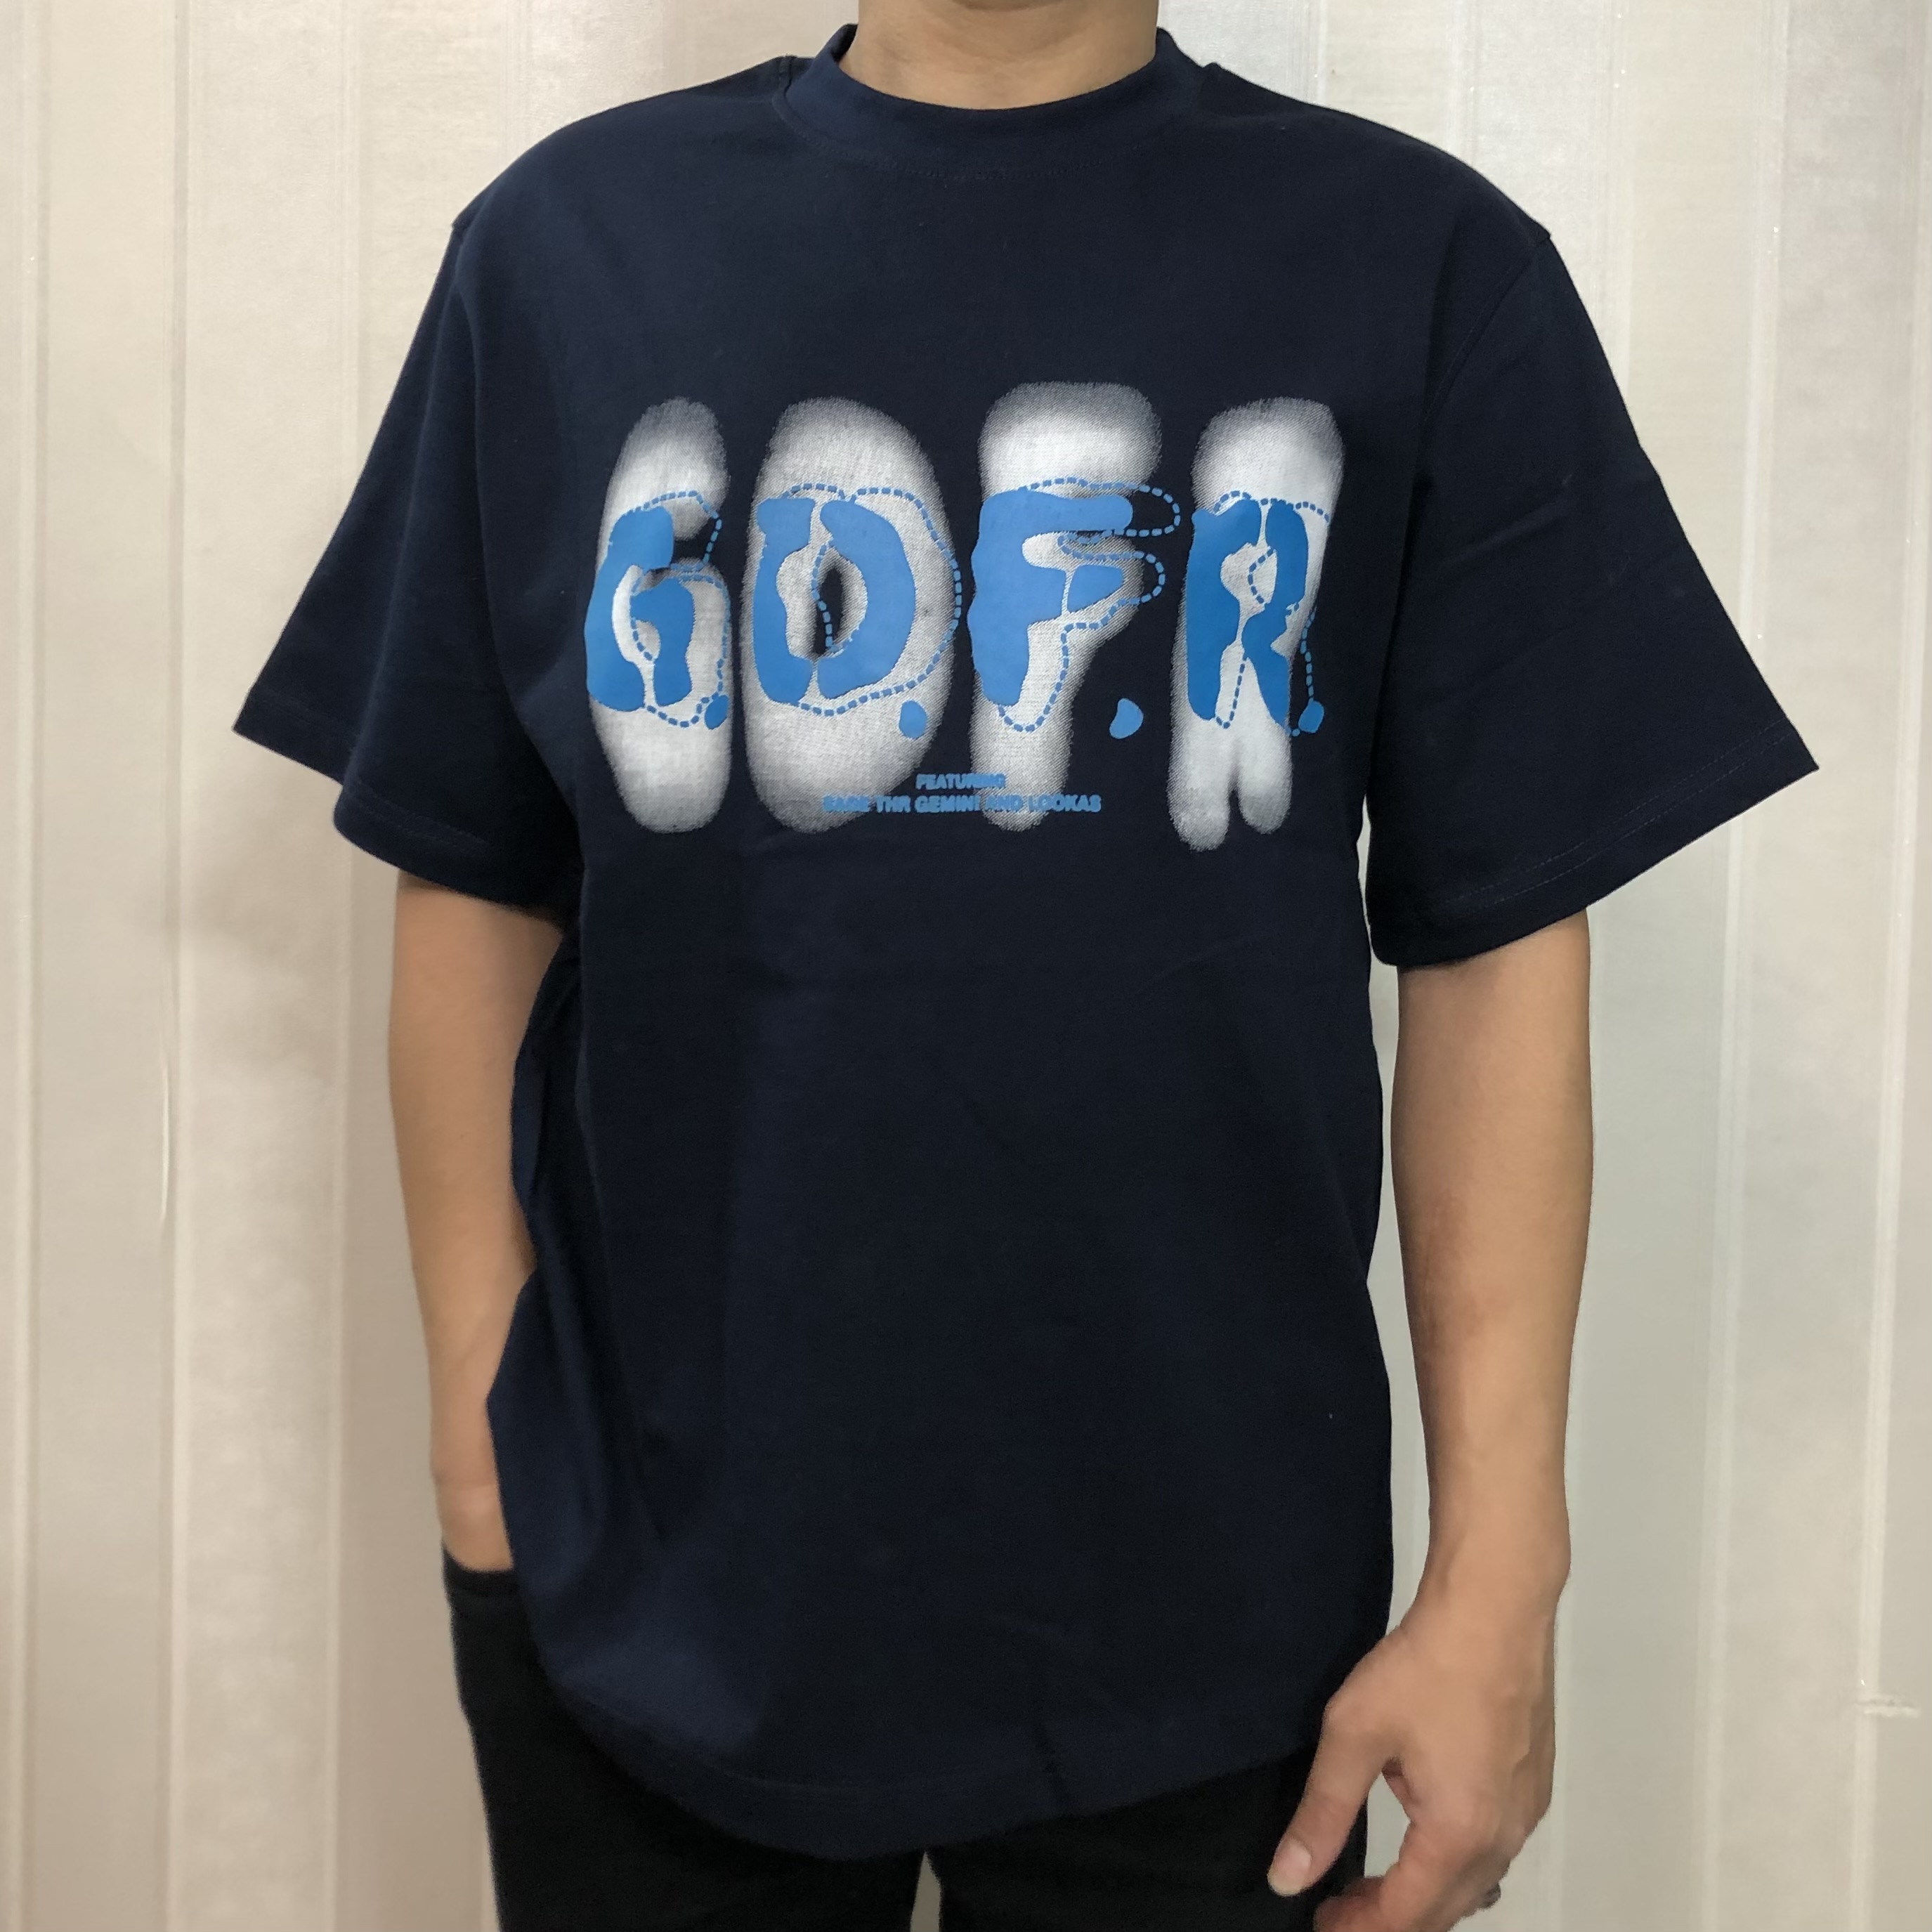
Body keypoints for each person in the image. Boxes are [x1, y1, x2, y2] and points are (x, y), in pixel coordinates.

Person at [230, 2, 1816, 1926]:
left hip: (1218, 1603)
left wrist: (1502, 1570)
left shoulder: (1423, 266)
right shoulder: (567, 252)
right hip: (652, 1580)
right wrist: (482, 1440)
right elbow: (475, 868)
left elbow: (1493, 939)